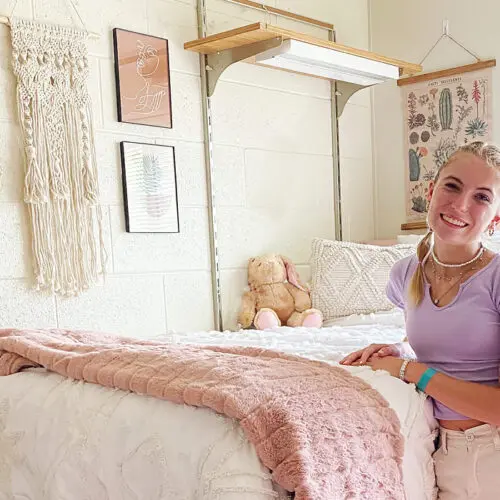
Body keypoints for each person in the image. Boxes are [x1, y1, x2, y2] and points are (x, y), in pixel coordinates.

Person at [341, 141, 500, 500]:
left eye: (482, 197)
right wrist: (400, 348)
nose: (460, 205)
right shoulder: (406, 273)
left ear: (496, 218)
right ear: (431, 190)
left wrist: (411, 370)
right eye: (452, 186)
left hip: (490, 451)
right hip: (434, 448)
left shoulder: (496, 278)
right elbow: (453, 337)